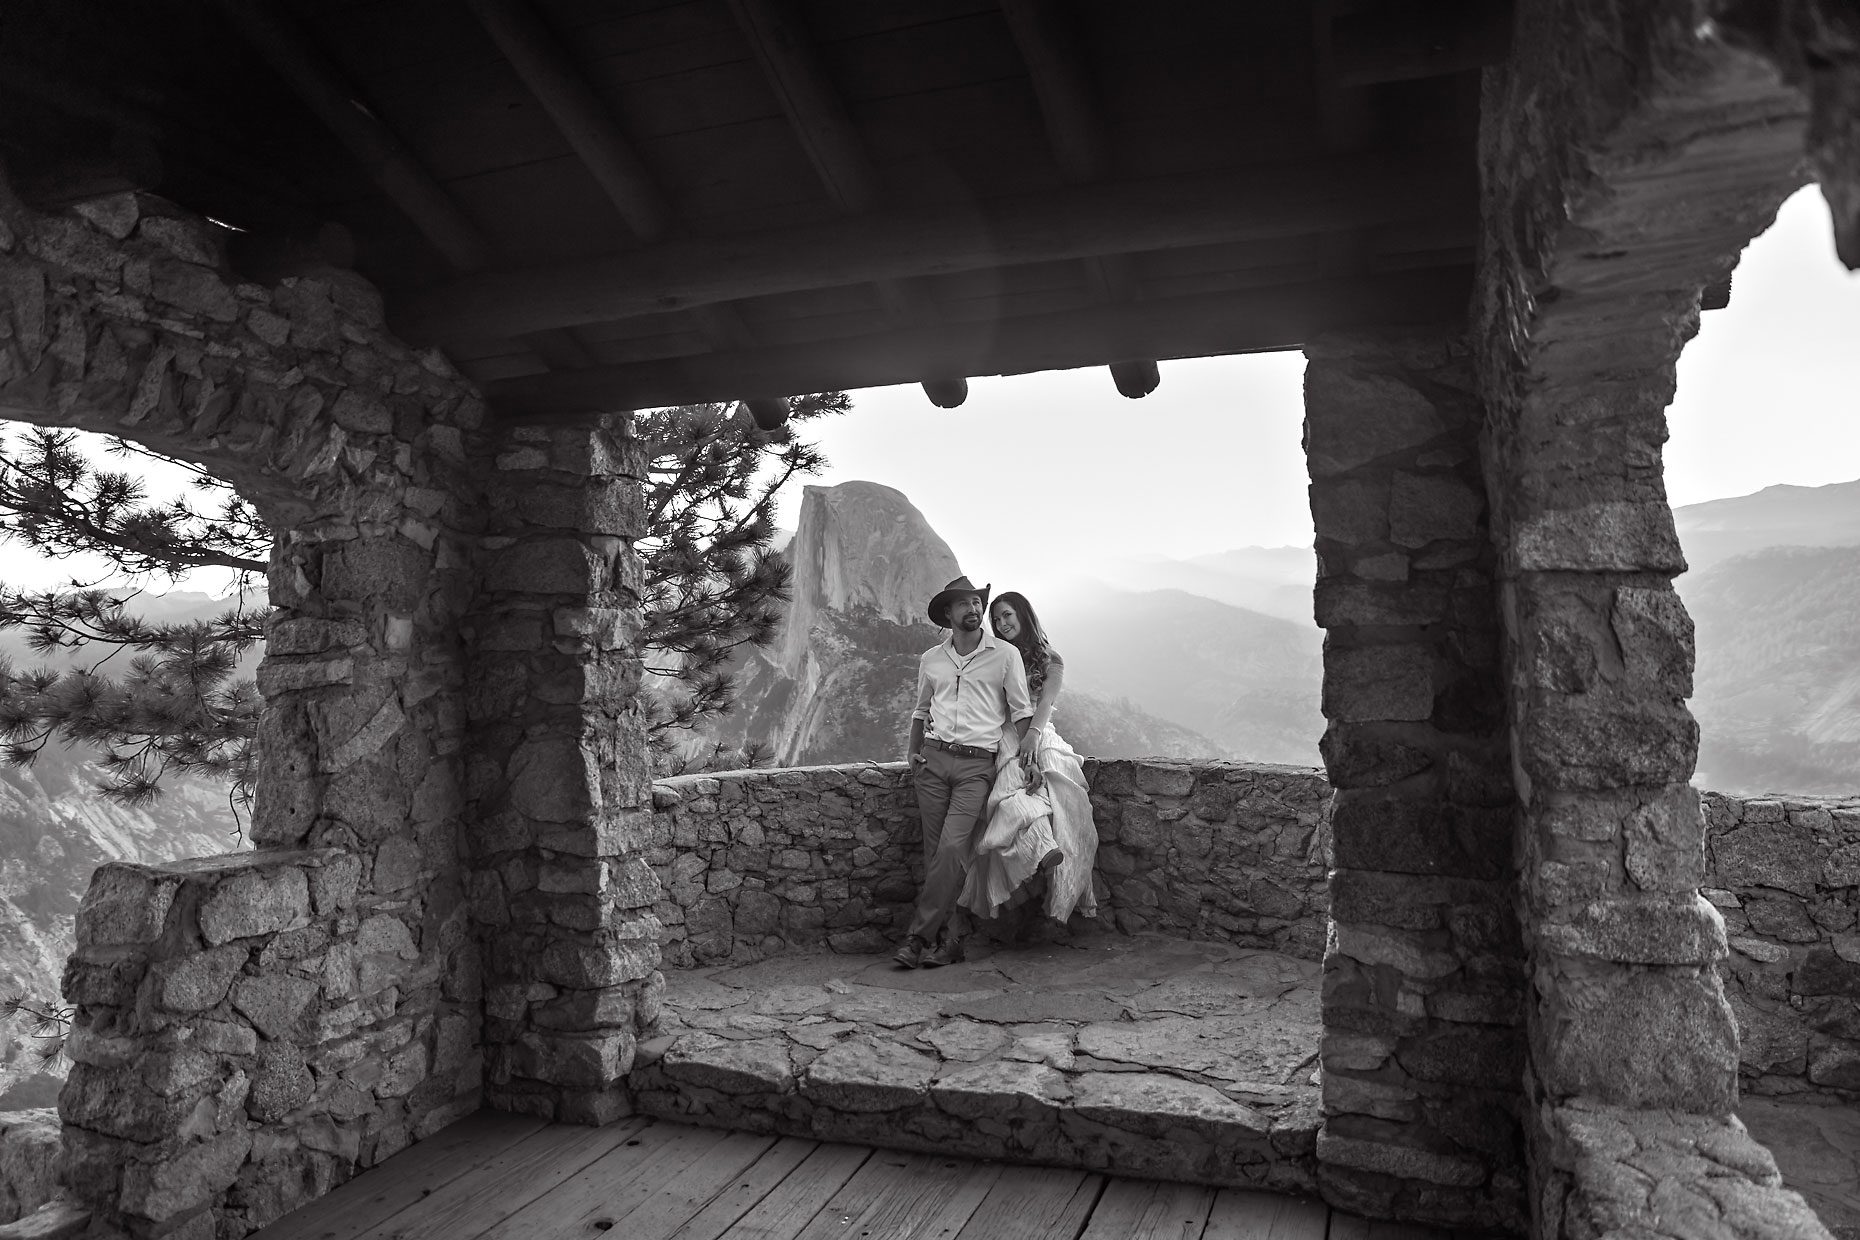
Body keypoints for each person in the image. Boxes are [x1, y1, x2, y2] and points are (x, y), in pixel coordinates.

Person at [896, 576, 1033, 969]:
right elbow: (921, 710)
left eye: (977, 603)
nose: (974, 609)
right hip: (933, 762)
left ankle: (917, 938)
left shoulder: (1005, 655)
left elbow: (1022, 711)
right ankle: (950, 940)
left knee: (953, 848)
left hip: (977, 766)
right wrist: (912, 752)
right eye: (964, 604)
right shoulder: (931, 659)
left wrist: (1032, 759)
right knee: (935, 853)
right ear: (948, 613)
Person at [959, 591, 1099, 928]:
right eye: (997, 619)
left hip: (1039, 729)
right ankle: (1040, 848)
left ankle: (1058, 884)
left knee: (1066, 798)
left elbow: (1046, 703)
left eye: (1007, 615)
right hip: (1005, 732)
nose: (1002, 623)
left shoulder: (1051, 659)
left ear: (1023, 614)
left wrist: (1033, 737)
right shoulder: (997, 655)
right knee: (1012, 789)